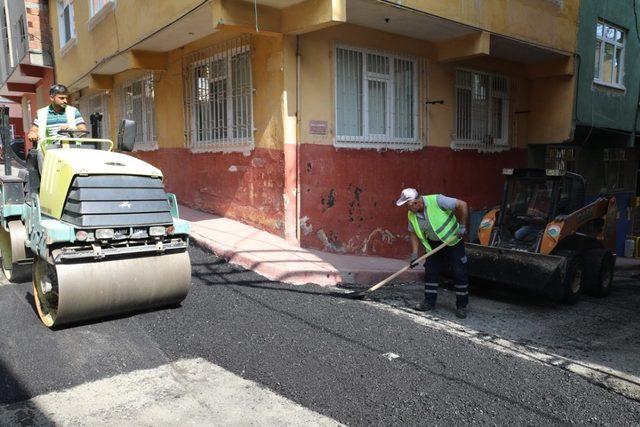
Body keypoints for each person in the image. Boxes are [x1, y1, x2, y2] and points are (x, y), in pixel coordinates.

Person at [396, 188, 470, 319]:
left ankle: (462, 306)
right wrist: (414, 254)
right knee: (431, 271)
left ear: (417, 202)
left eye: (408, 205)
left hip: (453, 241)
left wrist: (463, 225)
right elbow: (413, 233)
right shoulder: (411, 215)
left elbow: (462, 204)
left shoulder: (437, 200)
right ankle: (429, 302)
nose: (407, 209)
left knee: (459, 272)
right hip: (433, 245)